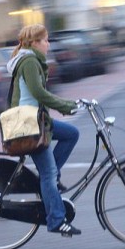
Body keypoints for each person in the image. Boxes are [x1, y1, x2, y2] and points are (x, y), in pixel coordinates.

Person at [6, 24, 81, 236]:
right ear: (35, 43)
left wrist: (70, 103)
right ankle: (56, 219)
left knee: (71, 134)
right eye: (46, 40)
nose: (49, 44)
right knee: (47, 174)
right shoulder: (29, 61)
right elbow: (38, 92)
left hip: (38, 121)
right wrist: (66, 106)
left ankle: (51, 182)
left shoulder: (32, 60)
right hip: (28, 125)